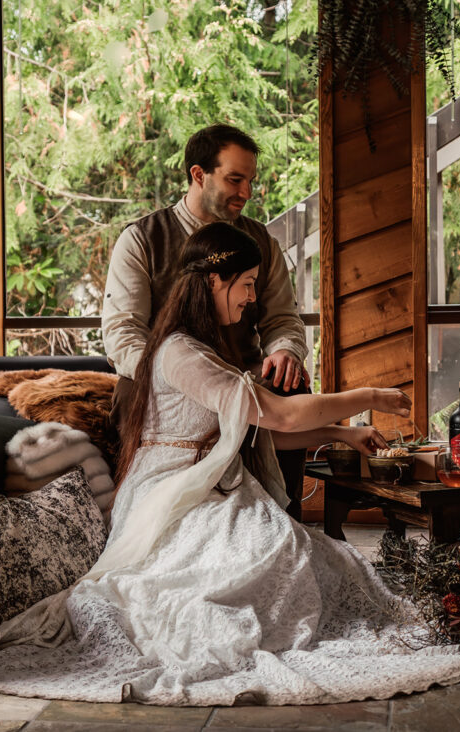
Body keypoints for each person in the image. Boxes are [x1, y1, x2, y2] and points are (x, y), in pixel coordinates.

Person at [0, 223, 460, 705]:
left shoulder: (206, 346)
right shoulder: (181, 352)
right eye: (245, 284)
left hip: (214, 479)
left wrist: (347, 434)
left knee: (313, 555)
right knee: (259, 561)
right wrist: (366, 396)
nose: (251, 297)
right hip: (176, 492)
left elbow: (264, 430)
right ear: (214, 280)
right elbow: (278, 415)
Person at [102, 124, 310, 516]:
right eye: (235, 179)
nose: (246, 193)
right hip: (165, 380)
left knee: (289, 384)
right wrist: (172, 374)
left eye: (249, 180)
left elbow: (283, 317)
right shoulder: (142, 239)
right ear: (198, 174)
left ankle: (283, 516)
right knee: (129, 394)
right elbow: (122, 332)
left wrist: (285, 351)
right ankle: (140, 512)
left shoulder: (261, 241)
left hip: (243, 373)